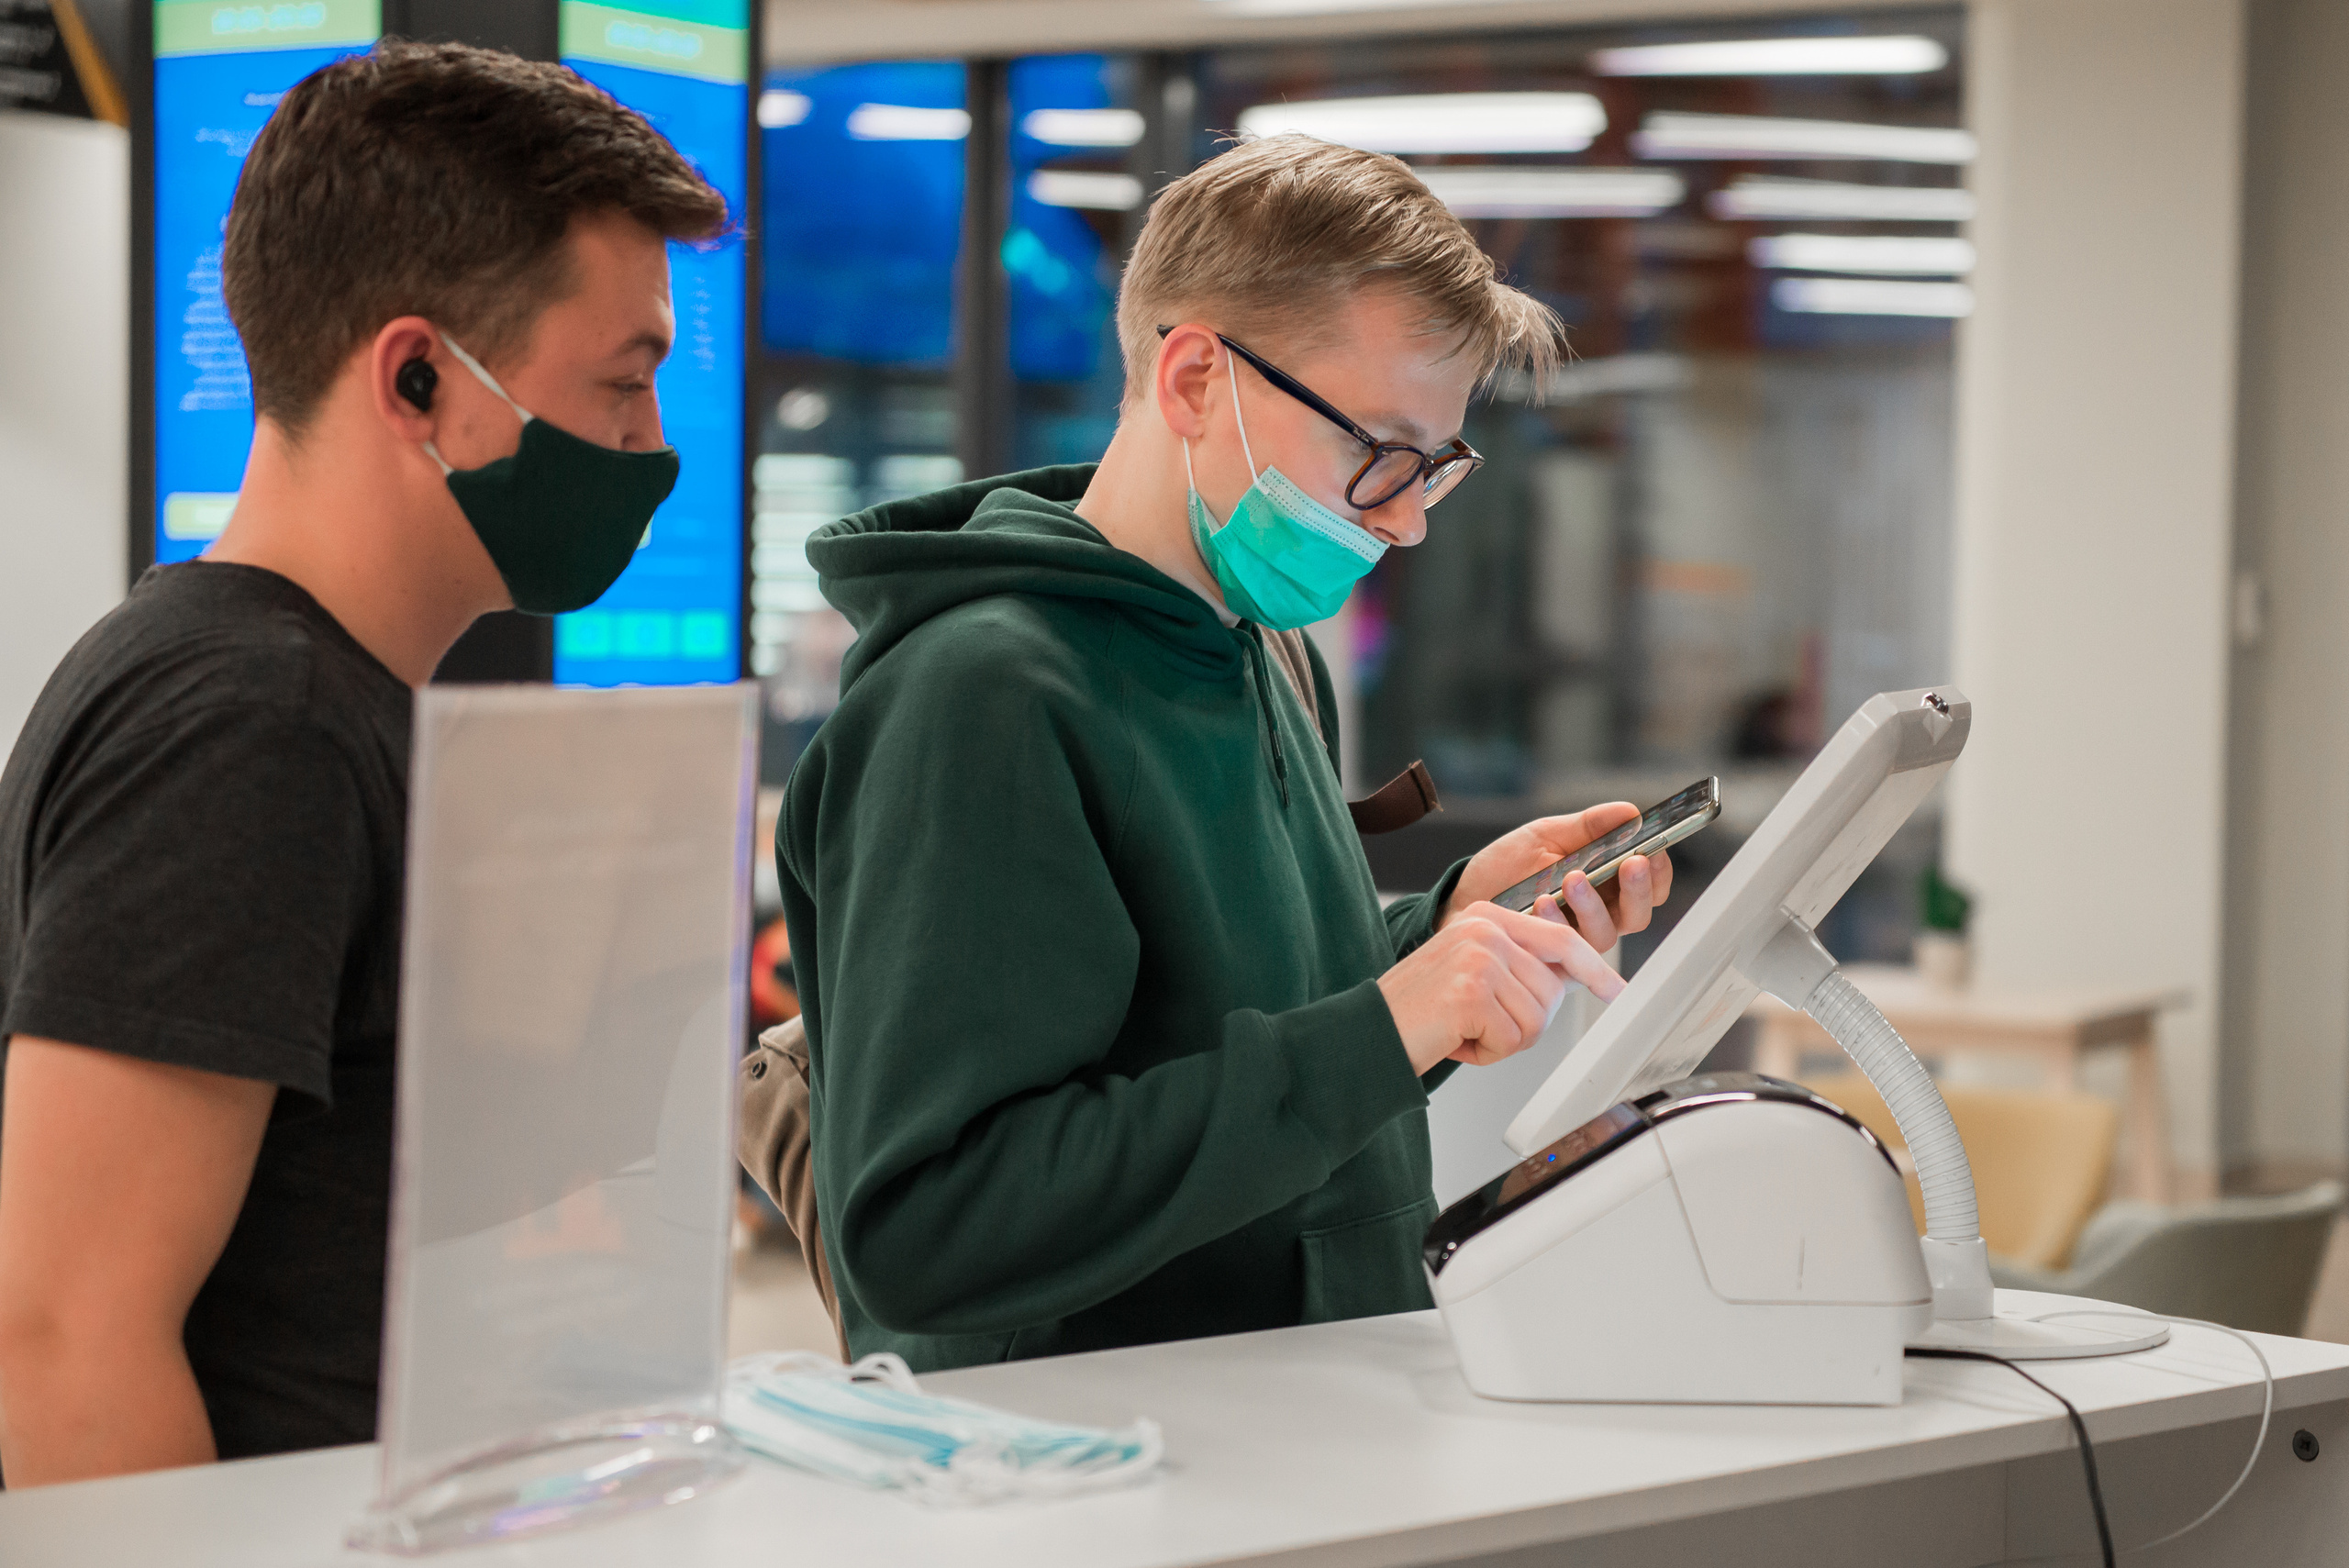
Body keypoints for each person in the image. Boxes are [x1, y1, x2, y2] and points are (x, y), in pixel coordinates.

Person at [772, 134, 1675, 1373]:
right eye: (1377, 452)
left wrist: (1446, 938)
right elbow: (935, 1224)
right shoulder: (981, 697)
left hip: (1301, 1406)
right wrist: (1390, 1026)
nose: (1408, 520)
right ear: (1195, 379)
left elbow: (1238, 1037)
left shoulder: (1261, 647)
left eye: (1435, 467)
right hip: (1104, 1449)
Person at [0, 41, 726, 1485]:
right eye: (623, 381)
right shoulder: (250, 722)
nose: (651, 444)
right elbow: (63, 1341)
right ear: (416, 376)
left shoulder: (300, 694)